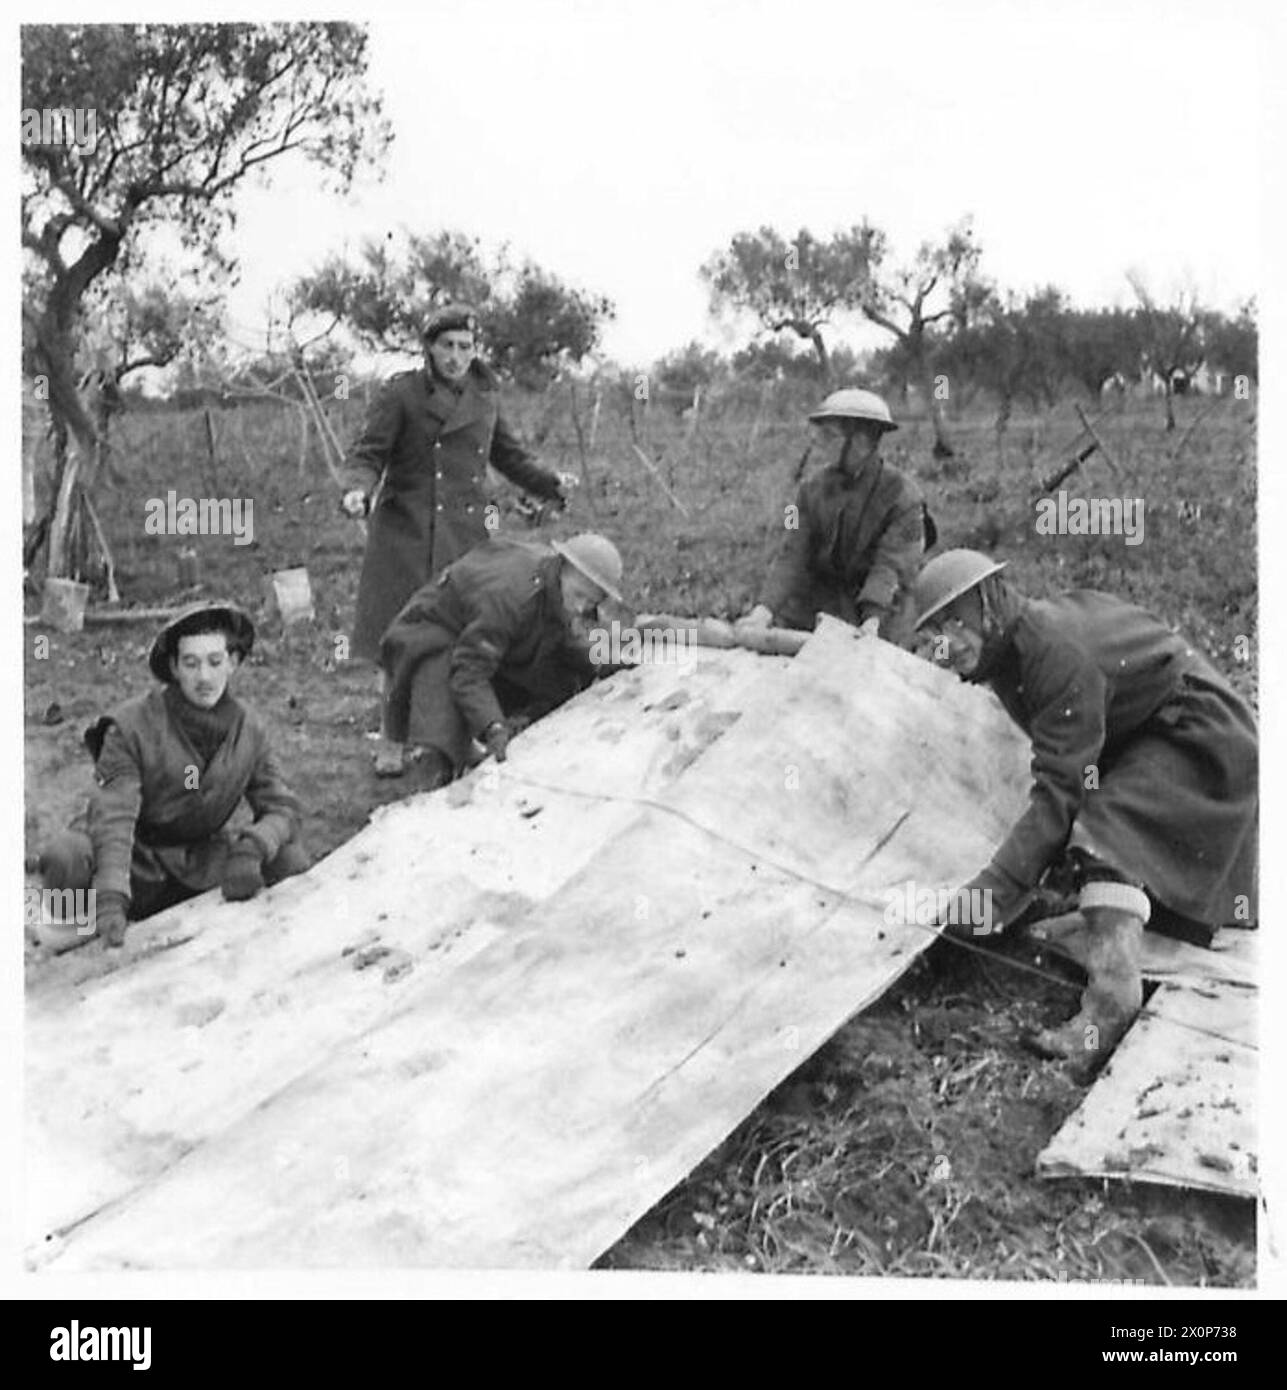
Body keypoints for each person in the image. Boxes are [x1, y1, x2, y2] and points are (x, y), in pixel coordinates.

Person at [910, 549, 1257, 1069]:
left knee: (1105, 833)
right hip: (1151, 733)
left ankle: (1109, 1008)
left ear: (990, 605)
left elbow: (1061, 791)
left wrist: (987, 897)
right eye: (936, 631)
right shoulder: (1010, 654)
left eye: (957, 622)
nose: (949, 643)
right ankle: (1117, 927)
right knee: (1101, 837)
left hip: (1201, 734)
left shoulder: (1052, 650)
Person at [340, 302, 577, 776]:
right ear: (429, 348)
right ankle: (391, 738)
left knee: (460, 637)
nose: (455, 356)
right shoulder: (402, 393)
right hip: (405, 533)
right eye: (446, 346)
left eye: (465, 347)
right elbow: (369, 452)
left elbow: (509, 457)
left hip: (463, 537)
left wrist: (551, 482)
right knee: (399, 637)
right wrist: (357, 489)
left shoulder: (485, 398)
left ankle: (458, 736)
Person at [37, 602, 308, 949]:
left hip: (198, 862)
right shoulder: (131, 727)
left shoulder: (250, 729)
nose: (204, 677)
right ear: (174, 668)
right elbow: (114, 819)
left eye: (215, 661)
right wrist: (111, 895)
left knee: (289, 858)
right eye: (191, 664)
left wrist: (255, 846)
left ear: (233, 662)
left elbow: (283, 807)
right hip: (136, 861)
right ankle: (57, 931)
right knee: (65, 858)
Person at [379, 533, 625, 791]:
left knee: (564, 677)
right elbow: (470, 672)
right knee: (442, 738)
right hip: (433, 633)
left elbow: (569, 639)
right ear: (564, 569)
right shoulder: (510, 596)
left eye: (591, 603)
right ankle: (435, 766)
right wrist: (492, 726)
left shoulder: (555, 589)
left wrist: (602, 659)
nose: (581, 607)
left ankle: (496, 733)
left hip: (488, 639)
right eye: (579, 595)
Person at [739, 388, 935, 643]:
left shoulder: (905, 498)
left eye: (829, 435)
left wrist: (872, 621)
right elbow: (792, 552)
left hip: (881, 613)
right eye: (819, 434)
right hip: (819, 606)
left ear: (861, 443)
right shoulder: (809, 490)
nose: (819, 443)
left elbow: (892, 566)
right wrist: (763, 610)